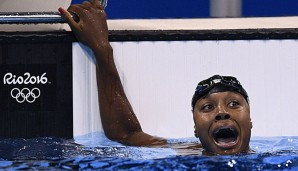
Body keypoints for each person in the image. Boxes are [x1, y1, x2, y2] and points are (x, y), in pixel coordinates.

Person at [58, 0, 253, 155]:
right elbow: (126, 134)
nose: (221, 112)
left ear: (250, 120)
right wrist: (101, 49)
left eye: (234, 104)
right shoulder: (186, 152)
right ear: (195, 130)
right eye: (208, 107)